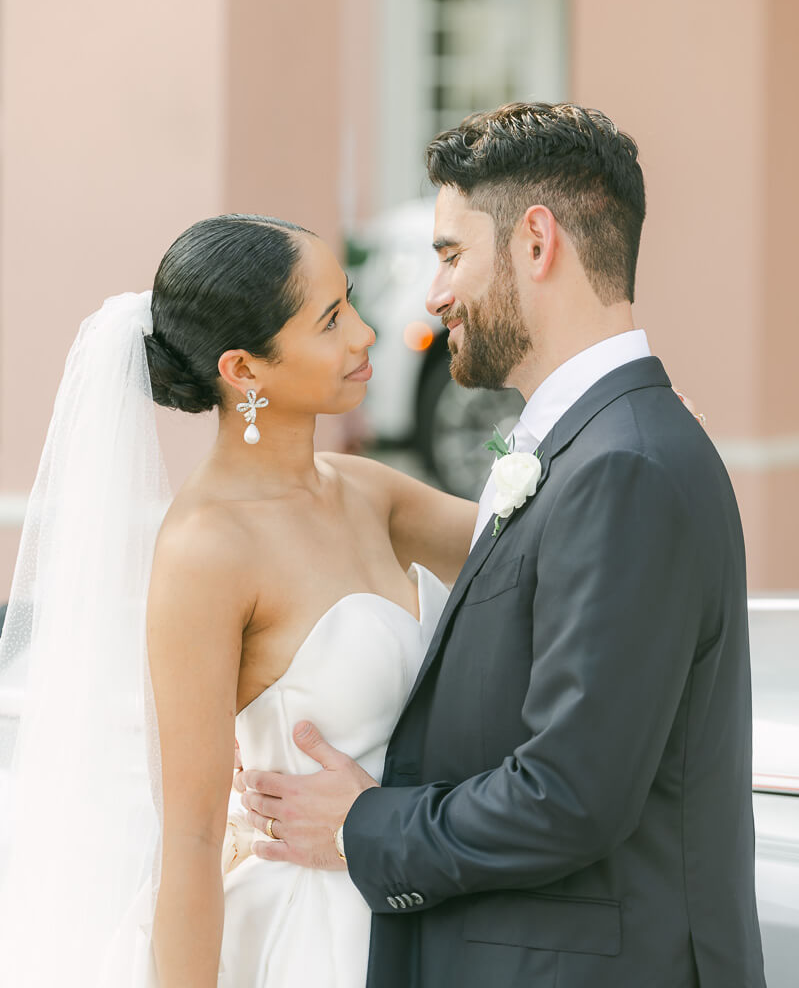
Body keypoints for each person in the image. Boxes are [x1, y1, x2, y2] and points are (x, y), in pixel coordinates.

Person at [236, 104, 766, 988]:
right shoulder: (586, 449)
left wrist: (362, 826)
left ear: (534, 242)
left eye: (449, 255)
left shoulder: (621, 465)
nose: (434, 295)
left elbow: (570, 795)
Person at [0, 214, 477, 988]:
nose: (365, 336)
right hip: (309, 939)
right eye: (329, 321)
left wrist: (623, 451)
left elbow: (542, 546)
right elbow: (187, 840)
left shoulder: (368, 492)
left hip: (422, 909)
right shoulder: (206, 551)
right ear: (244, 370)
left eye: (350, 303)